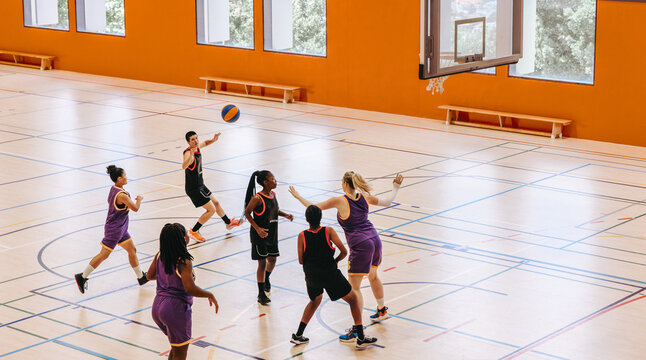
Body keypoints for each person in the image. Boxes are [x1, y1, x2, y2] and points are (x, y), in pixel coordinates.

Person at [289, 172, 403, 340]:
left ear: (344, 183)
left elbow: (313, 208)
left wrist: (299, 197)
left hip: (361, 245)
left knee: (354, 289)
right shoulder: (364, 196)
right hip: (375, 239)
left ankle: (358, 329)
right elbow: (387, 201)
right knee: (373, 275)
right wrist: (396, 187)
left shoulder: (340, 200)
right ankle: (381, 309)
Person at [290, 205, 377, 349]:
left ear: (306, 219)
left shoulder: (302, 235)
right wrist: (334, 261)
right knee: (354, 299)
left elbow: (300, 260)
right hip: (329, 273)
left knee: (314, 300)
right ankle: (360, 337)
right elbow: (344, 251)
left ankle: (298, 335)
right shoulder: (328, 231)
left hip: (311, 275)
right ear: (321, 217)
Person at [147, 223, 219, 360]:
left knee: (176, 348)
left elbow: (150, 275)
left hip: (157, 307)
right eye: (186, 234)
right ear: (182, 239)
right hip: (175, 309)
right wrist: (209, 294)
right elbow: (189, 288)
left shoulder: (160, 254)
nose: (188, 236)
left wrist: (167, 278)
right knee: (180, 354)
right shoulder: (184, 262)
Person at [75, 165, 148, 293]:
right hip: (114, 229)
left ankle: (141, 277)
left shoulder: (114, 188)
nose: (126, 177)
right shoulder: (122, 195)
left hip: (121, 228)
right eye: (124, 175)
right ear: (119, 178)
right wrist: (139, 200)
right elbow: (135, 208)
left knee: (132, 250)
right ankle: (82, 276)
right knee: (104, 255)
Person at [243, 170, 293, 305]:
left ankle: (266, 278)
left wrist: (285, 215)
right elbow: (247, 213)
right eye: (273, 178)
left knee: (273, 259)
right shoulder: (257, 198)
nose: (275, 180)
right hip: (260, 235)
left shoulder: (273, 194)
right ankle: (261, 294)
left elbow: (274, 210)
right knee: (262, 263)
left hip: (272, 233)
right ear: (265, 182)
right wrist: (257, 228)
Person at [182, 131, 242, 242]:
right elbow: (184, 165)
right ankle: (194, 231)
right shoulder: (188, 153)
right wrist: (190, 156)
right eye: (192, 140)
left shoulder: (197, 148)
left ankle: (228, 223)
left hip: (200, 184)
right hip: (193, 188)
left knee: (216, 203)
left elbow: (205, 143)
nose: (196, 141)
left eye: (196, 138)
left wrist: (213, 140)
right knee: (211, 210)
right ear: (188, 142)